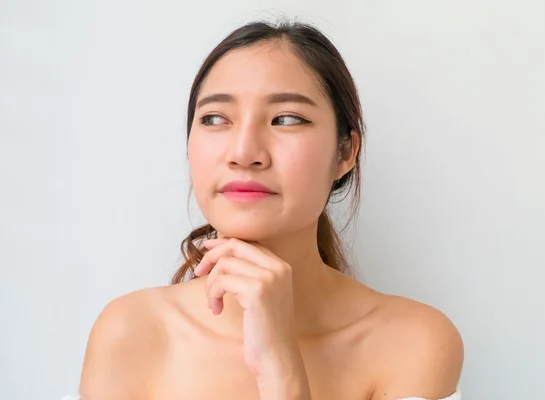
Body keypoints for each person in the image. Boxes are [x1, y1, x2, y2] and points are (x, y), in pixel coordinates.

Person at [76, 19, 464, 400]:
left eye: (287, 119)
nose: (244, 153)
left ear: (345, 152)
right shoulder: (130, 332)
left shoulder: (413, 344)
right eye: (215, 119)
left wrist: (279, 366)